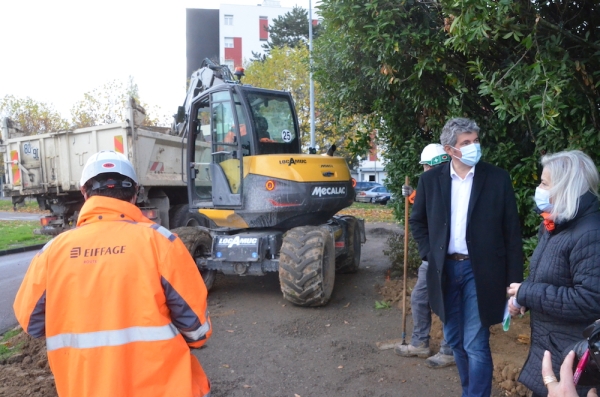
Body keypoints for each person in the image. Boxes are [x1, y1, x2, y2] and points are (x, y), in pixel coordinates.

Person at [13, 151, 212, 397]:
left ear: (84, 193)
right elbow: (197, 331)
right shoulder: (161, 242)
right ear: (135, 193)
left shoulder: (52, 252)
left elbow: (31, 323)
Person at [409, 117, 523, 397]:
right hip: (445, 271)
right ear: (449, 150)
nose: (474, 147)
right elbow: (418, 222)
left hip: (481, 272)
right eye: (466, 143)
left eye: (475, 140)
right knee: (457, 341)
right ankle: (469, 391)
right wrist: (429, 254)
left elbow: (512, 234)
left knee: (475, 342)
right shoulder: (430, 181)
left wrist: (514, 285)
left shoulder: (497, 178)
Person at [507, 150, 600, 397]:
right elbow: (551, 278)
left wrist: (529, 292)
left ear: (566, 186)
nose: (539, 188)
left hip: (576, 364)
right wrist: (523, 298)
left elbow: (590, 300)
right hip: (555, 349)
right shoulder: (555, 223)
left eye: (544, 183)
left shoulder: (590, 233)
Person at [395, 143, 456, 369]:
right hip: (431, 257)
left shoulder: (457, 186)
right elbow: (425, 210)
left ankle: (449, 350)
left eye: (426, 167)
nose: (424, 172)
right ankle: (420, 342)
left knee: (448, 302)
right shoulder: (429, 183)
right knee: (420, 298)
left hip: (453, 258)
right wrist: (413, 196)